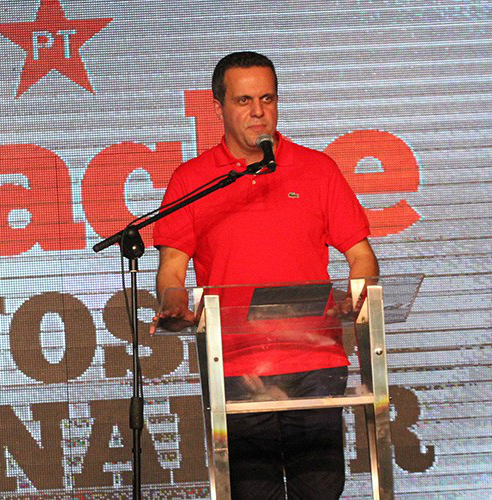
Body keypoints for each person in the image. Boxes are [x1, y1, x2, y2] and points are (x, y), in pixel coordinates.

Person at [151, 51, 379, 499]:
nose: (258, 112)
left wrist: (359, 291)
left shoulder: (317, 169)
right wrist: (174, 303)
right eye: (244, 100)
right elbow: (171, 272)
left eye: (267, 98)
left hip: (314, 361)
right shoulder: (192, 180)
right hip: (237, 367)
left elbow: (362, 255)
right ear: (218, 107)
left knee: (321, 490)